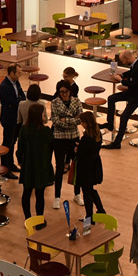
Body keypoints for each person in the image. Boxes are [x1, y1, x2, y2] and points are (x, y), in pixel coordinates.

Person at [103, 49, 138, 147]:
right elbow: (131, 72)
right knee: (111, 98)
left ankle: (117, 143)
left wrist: (121, 80)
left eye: (123, 61)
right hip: (132, 93)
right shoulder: (137, 63)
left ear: (127, 58)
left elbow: (134, 84)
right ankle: (110, 124)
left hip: (137, 97)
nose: (123, 63)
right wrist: (122, 75)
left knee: (123, 118)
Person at [17, 102, 53, 219]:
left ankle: (27, 218)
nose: (44, 116)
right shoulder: (46, 131)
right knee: (40, 194)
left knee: (26, 193)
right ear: (39, 116)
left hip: (28, 165)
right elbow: (50, 147)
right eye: (43, 114)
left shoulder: (24, 129)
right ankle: (39, 219)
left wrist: (20, 161)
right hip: (42, 165)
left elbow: (20, 148)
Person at [49, 80, 82, 209]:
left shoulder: (76, 101)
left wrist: (65, 119)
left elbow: (80, 119)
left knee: (76, 166)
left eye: (66, 91)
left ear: (70, 91)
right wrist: (72, 120)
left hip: (73, 138)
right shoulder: (54, 103)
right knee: (59, 167)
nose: (64, 94)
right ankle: (57, 197)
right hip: (59, 138)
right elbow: (55, 121)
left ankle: (77, 194)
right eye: (61, 92)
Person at [74, 111, 106, 222]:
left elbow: (80, 154)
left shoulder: (86, 138)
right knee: (91, 190)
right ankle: (101, 210)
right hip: (95, 165)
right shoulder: (98, 134)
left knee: (87, 193)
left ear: (86, 123)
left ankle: (89, 217)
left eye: (82, 122)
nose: (81, 124)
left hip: (86, 168)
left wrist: (77, 149)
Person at [0, 64, 25, 172]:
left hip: (16, 117)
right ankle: (5, 168)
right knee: (7, 143)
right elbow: (12, 102)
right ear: (12, 73)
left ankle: (11, 164)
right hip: (8, 118)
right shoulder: (4, 86)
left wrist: (17, 100)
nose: (20, 74)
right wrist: (18, 100)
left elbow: (23, 97)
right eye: (18, 72)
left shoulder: (16, 82)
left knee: (13, 142)